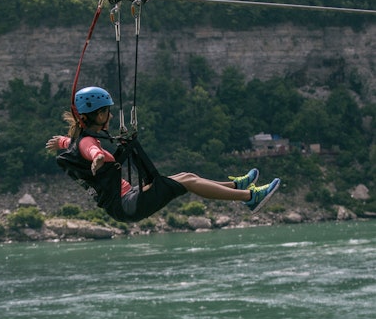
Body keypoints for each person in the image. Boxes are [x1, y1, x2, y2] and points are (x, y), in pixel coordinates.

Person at [46, 86, 280, 223]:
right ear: (97, 115)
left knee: (186, 175)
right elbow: (91, 150)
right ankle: (250, 197)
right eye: (107, 112)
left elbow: (76, 144)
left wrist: (61, 142)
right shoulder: (88, 143)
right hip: (128, 204)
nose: (110, 116)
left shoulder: (76, 141)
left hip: (128, 199)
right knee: (187, 181)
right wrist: (97, 157)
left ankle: (236, 186)